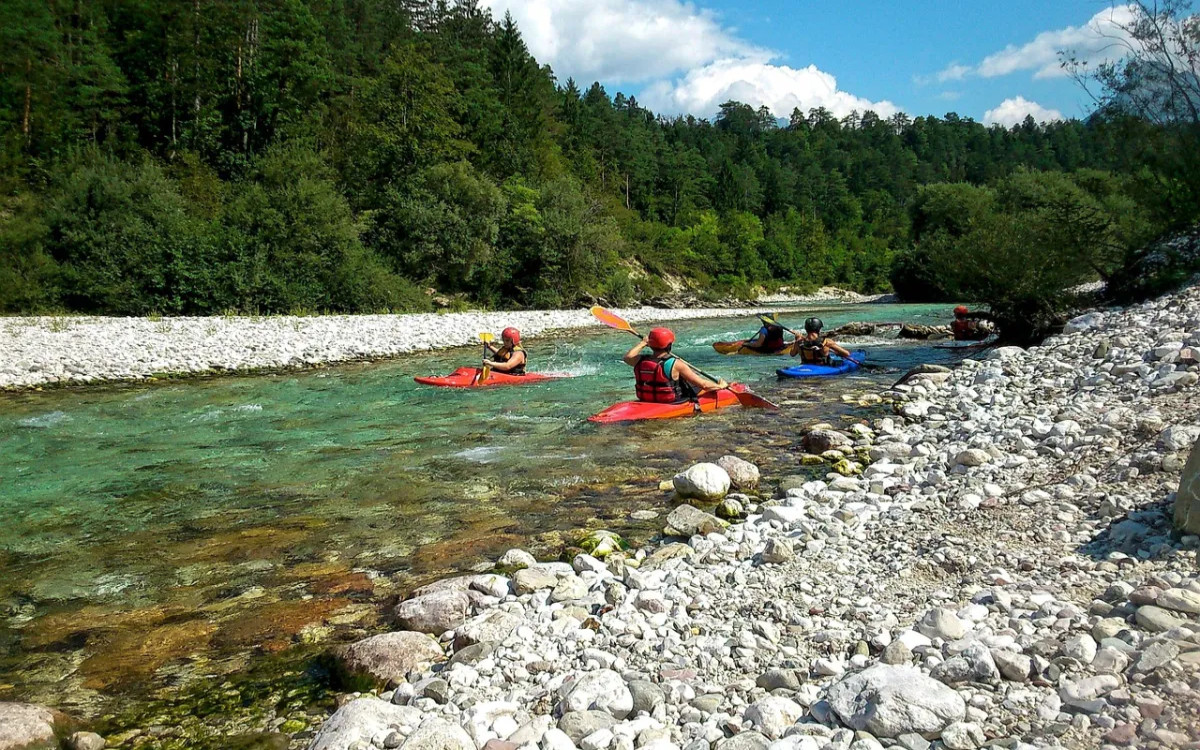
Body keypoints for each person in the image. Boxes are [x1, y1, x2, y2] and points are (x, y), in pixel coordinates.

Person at [623, 327, 727, 403]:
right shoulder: (676, 364)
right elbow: (703, 385)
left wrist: (642, 343)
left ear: (650, 345)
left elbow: (627, 357)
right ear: (669, 345)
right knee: (693, 383)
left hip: (646, 399)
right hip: (669, 401)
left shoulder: (640, 360)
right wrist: (720, 386)